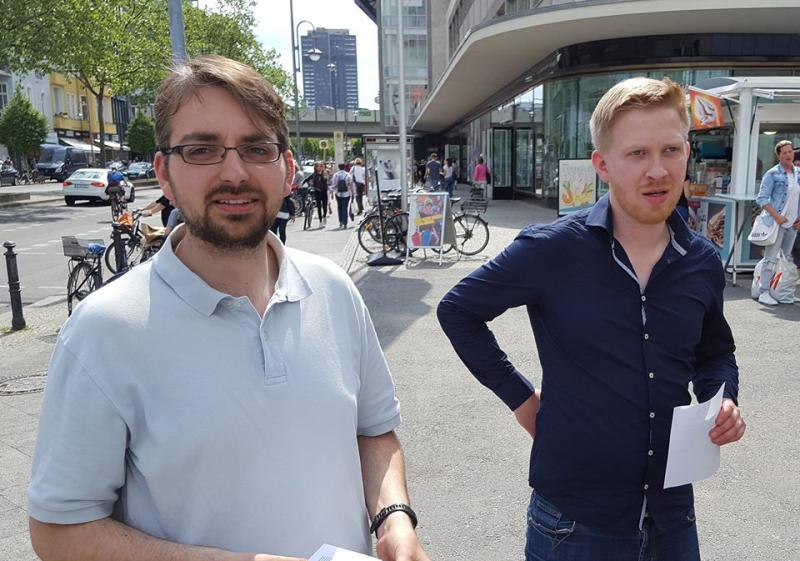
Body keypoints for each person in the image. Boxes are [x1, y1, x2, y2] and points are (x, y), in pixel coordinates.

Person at [28, 55, 430, 561]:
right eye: (202, 150)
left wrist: (393, 519)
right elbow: (58, 531)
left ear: (287, 170)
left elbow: (374, 431)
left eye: (256, 148)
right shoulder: (103, 331)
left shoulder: (334, 290)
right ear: (165, 174)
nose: (234, 172)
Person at [438, 77, 745, 561]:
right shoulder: (553, 249)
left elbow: (715, 351)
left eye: (670, 150)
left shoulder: (701, 260)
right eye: (637, 154)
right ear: (602, 165)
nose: (658, 170)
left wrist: (721, 398)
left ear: (687, 152)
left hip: (672, 517)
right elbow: (458, 310)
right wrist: (521, 398)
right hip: (575, 524)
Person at [754, 139, 800, 306]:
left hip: (792, 224)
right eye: (784, 152)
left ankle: (781, 290)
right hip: (776, 223)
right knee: (771, 258)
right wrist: (777, 216)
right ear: (779, 156)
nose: (788, 154)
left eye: (790, 151)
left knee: (785, 259)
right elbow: (761, 199)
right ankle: (764, 292)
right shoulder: (772, 174)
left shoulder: (798, 173)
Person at [303, 160, 329, 227]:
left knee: (325, 206)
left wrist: (323, 174)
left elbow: (326, 180)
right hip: (317, 191)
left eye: (320, 166)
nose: (319, 167)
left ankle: (324, 217)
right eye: (317, 166)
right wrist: (302, 183)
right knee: (319, 207)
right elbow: (307, 179)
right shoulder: (314, 174)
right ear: (315, 167)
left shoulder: (324, 173)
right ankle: (320, 221)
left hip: (324, 191)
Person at [331, 163, 355, 229]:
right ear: (344, 167)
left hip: (338, 194)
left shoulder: (336, 175)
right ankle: (345, 223)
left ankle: (340, 222)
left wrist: (332, 192)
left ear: (338, 167)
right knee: (345, 208)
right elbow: (351, 185)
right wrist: (353, 193)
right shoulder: (348, 175)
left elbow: (334, 185)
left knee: (339, 207)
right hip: (347, 194)